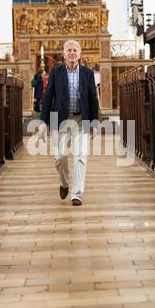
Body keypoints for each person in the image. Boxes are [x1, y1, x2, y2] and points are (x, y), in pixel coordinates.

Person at [38, 40, 99, 206]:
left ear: (79, 54)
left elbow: (93, 99)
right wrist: (43, 121)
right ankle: (64, 183)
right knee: (59, 157)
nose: (72, 53)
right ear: (64, 54)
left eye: (75, 50)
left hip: (80, 119)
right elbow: (48, 98)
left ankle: (76, 194)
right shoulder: (56, 72)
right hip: (61, 120)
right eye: (69, 50)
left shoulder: (87, 73)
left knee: (80, 156)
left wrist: (94, 122)